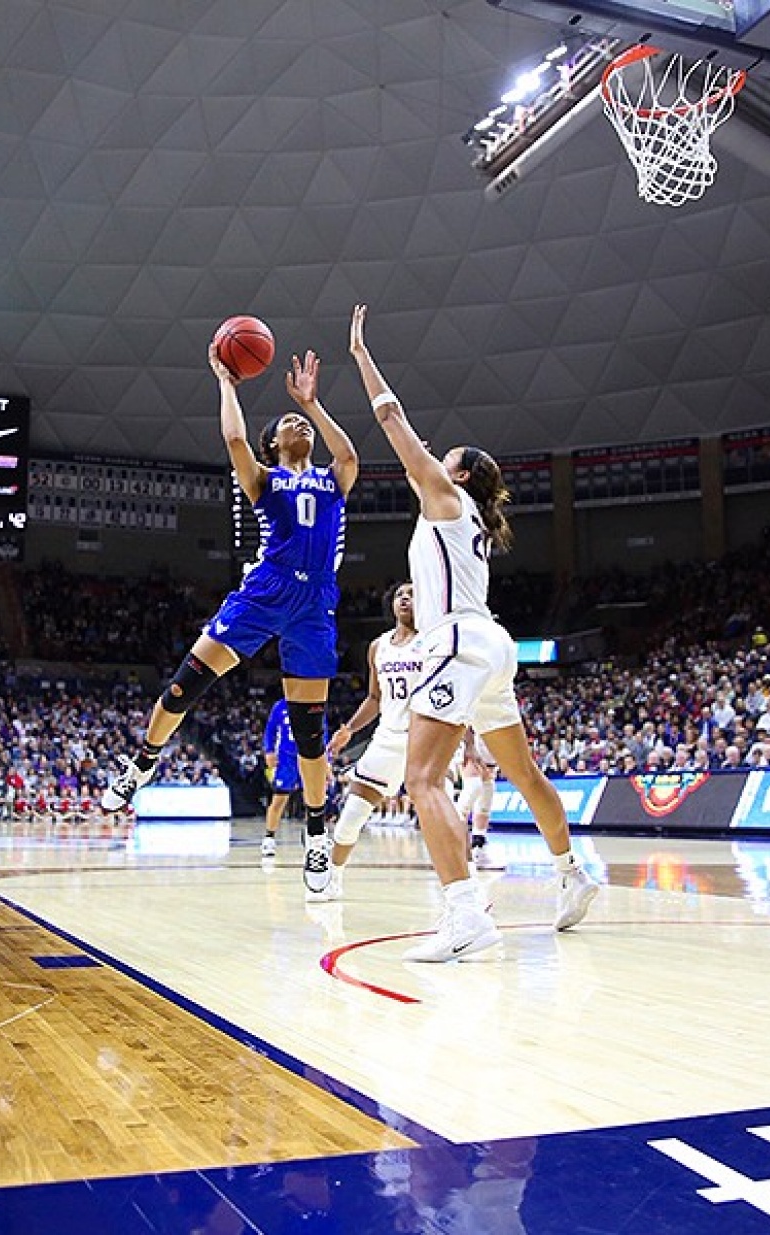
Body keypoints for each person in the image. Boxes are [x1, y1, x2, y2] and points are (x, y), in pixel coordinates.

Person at [349, 303, 599, 962]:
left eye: (445, 454)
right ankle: (570, 872)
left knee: (422, 778)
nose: (434, 455)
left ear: (455, 473)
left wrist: (359, 354)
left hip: (457, 641)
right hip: (490, 644)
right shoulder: (471, 517)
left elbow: (392, 420)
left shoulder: (446, 498)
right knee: (520, 770)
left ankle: (464, 912)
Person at [102, 340, 358, 898]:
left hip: (315, 604)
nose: (300, 424)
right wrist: (227, 382)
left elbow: (350, 458)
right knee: (181, 689)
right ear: (274, 443)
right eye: (290, 420)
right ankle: (142, 763)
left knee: (310, 731)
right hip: (263, 592)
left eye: (303, 422)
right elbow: (235, 439)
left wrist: (313, 405)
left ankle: (316, 832)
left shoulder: (332, 480)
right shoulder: (266, 480)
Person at [320, 581, 424, 900]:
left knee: (445, 816)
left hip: (429, 738)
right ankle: (332, 877)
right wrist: (349, 729)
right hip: (388, 738)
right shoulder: (379, 646)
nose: (404, 598)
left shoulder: (436, 641)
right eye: (399, 594)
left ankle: (467, 888)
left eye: (412, 593)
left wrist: (470, 742)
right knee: (351, 815)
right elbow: (375, 698)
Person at [260, 697, 301, 858]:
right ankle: (269, 838)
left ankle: (315, 837)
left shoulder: (315, 700)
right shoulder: (280, 706)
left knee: (314, 799)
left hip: (308, 757)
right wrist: (269, 751)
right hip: (286, 758)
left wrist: (327, 759)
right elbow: (270, 729)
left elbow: (322, 731)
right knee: (279, 799)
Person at [458, 729, 505, 869]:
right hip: (468, 739)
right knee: (473, 787)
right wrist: (469, 745)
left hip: (489, 742)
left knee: (487, 791)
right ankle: (453, 843)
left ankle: (478, 844)